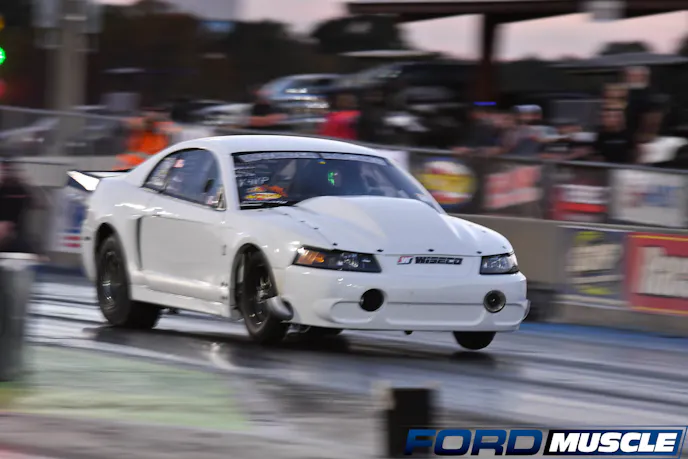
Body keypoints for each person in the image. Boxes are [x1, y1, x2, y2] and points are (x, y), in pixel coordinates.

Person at [0, 159, 37, 254]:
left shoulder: (20, 189)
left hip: (15, 234)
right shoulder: (4, 189)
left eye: (8, 171)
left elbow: (36, 203)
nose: (5, 174)